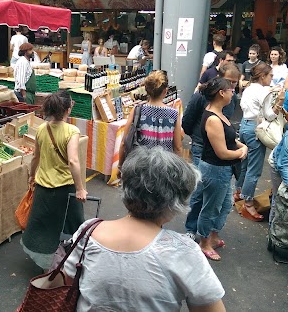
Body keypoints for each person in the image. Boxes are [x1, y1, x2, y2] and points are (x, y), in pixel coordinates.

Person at [64, 147, 226, 312]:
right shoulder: (183, 251)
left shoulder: (89, 230)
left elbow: (67, 286)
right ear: (176, 202)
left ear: (126, 187)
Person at [21, 91, 87, 270]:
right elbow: (73, 161)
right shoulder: (72, 131)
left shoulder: (42, 128)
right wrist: (80, 188)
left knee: (44, 226)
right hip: (65, 189)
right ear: (68, 108)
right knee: (74, 225)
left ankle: (47, 262)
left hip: (43, 187)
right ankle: (75, 261)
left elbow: (36, 157)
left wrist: (32, 176)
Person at [185, 77, 247, 261]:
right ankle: (204, 242)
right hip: (215, 169)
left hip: (223, 170)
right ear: (221, 93)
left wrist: (239, 144)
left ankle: (212, 235)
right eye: (230, 90)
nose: (233, 92)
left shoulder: (219, 113)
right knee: (210, 207)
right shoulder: (212, 117)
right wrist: (241, 152)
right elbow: (222, 153)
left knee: (226, 204)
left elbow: (227, 139)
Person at [235, 63, 285, 221]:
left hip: (244, 125)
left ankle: (239, 192)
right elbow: (269, 115)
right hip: (256, 130)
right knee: (254, 169)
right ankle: (248, 203)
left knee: (245, 163)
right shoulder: (265, 91)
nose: (272, 78)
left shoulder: (248, 88)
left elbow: (243, 106)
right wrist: (279, 102)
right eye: (270, 75)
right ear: (263, 76)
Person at [118, 71, 182, 168]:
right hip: (165, 167)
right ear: (165, 91)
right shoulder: (173, 114)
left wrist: (120, 165)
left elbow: (124, 142)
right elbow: (178, 148)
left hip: (141, 167)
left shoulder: (137, 110)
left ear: (146, 90)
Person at [183, 63, 241, 165]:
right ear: (219, 78)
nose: (231, 86)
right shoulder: (201, 96)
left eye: (234, 82)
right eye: (228, 81)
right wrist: (196, 137)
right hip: (201, 146)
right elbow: (187, 120)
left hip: (222, 149)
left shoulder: (233, 98)